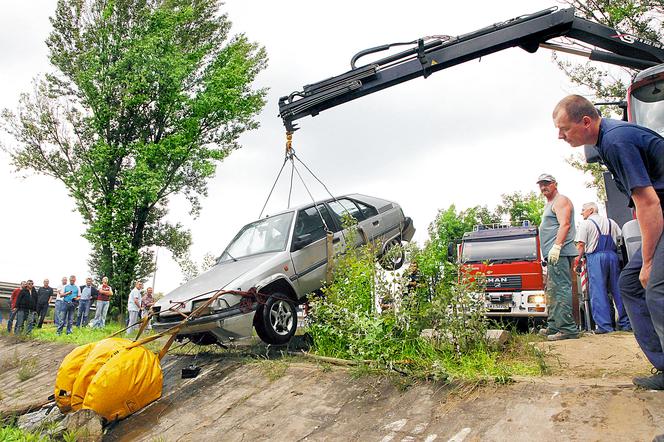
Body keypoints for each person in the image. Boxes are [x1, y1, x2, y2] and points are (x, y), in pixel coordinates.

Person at [553, 94, 664, 389]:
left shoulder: (616, 141)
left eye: (564, 128)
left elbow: (649, 204)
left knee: (656, 288)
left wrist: (650, 261)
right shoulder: (607, 142)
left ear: (586, 122)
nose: (560, 135)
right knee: (630, 283)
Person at [536, 173, 580, 341]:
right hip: (553, 254)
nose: (543, 187)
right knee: (553, 289)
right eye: (540, 184)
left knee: (561, 288)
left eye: (546, 183)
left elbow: (565, 224)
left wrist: (557, 246)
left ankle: (568, 329)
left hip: (559, 252)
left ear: (555, 184)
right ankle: (554, 325)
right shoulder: (549, 204)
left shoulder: (561, 200)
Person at [575, 202, 631, 333]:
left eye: (583, 210)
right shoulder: (611, 222)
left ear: (590, 210)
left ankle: (604, 326)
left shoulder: (586, 224)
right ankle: (626, 323)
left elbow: (581, 245)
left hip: (595, 258)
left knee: (598, 292)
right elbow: (620, 240)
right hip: (612, 257)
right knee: (618, 290)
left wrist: (576, 262)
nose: (582, 213)